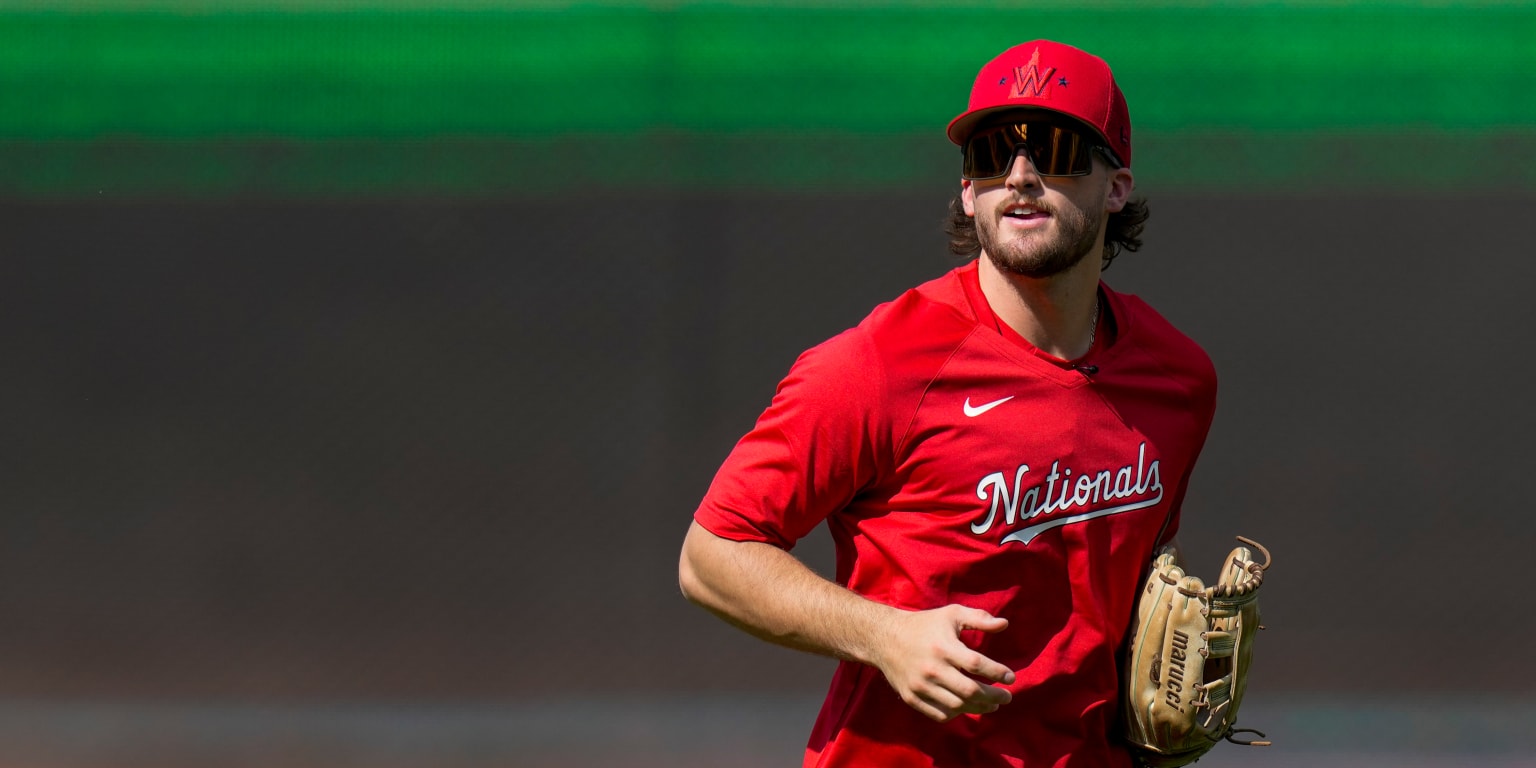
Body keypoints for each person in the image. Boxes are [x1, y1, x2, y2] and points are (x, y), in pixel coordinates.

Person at [678, 39, 1217, 767]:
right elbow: (711, 555)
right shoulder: (881, 363)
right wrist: (886, 635)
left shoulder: (1177, 380)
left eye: (1055, 149)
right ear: (968, 190)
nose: (1020, 176)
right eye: (992, 154)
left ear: (1116, 186)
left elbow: (1126, 597)